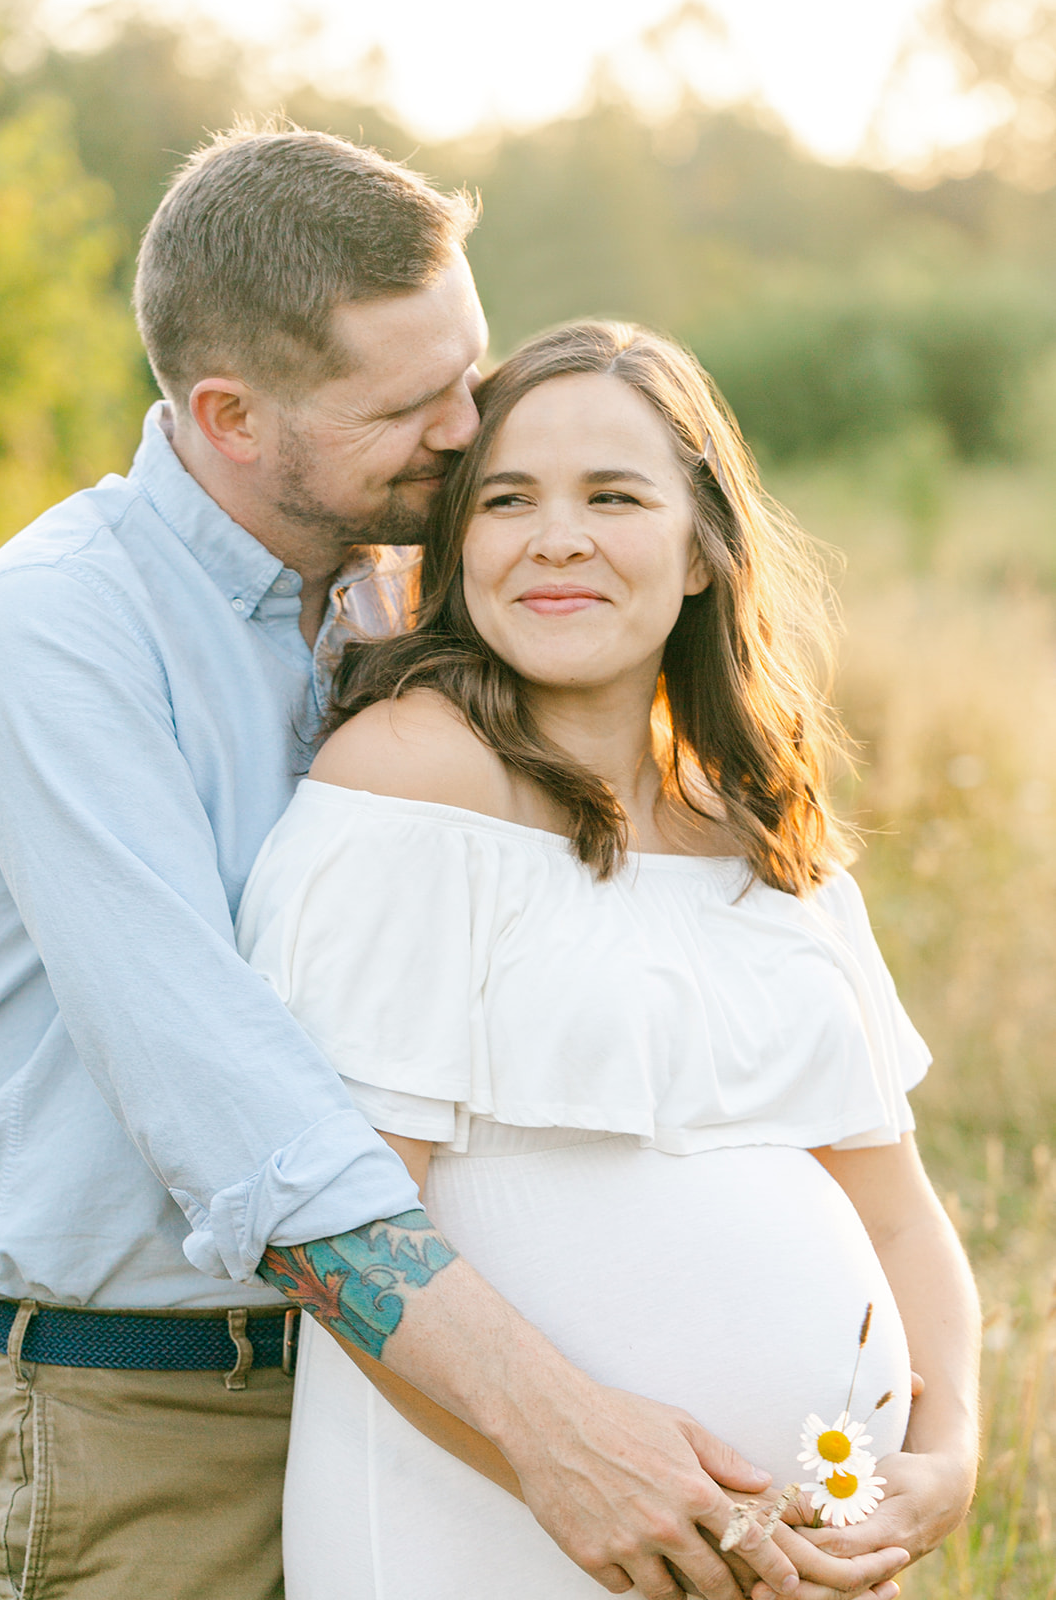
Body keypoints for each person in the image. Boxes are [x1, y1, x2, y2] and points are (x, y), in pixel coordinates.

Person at [0, 126, 895, 1600]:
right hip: (152, 1421)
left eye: (465, 369)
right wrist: (555, 1431)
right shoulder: (56, 634)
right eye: (414, 403)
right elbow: (234, 1110)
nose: (471, 428)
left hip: (403, 1407)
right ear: (227, 415)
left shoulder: (386, 593)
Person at [237, 320, 982, 1600]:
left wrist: (949, 1448)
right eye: (508, 498)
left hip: (795, 1563)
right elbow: (344, 1239)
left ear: (702, 549)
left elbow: (897, 1206)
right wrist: (575, 1472)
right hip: (484, 1532)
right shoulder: (408, 785)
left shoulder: (760, 829)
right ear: (457, 544)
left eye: (614, 496)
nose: (557, 535)